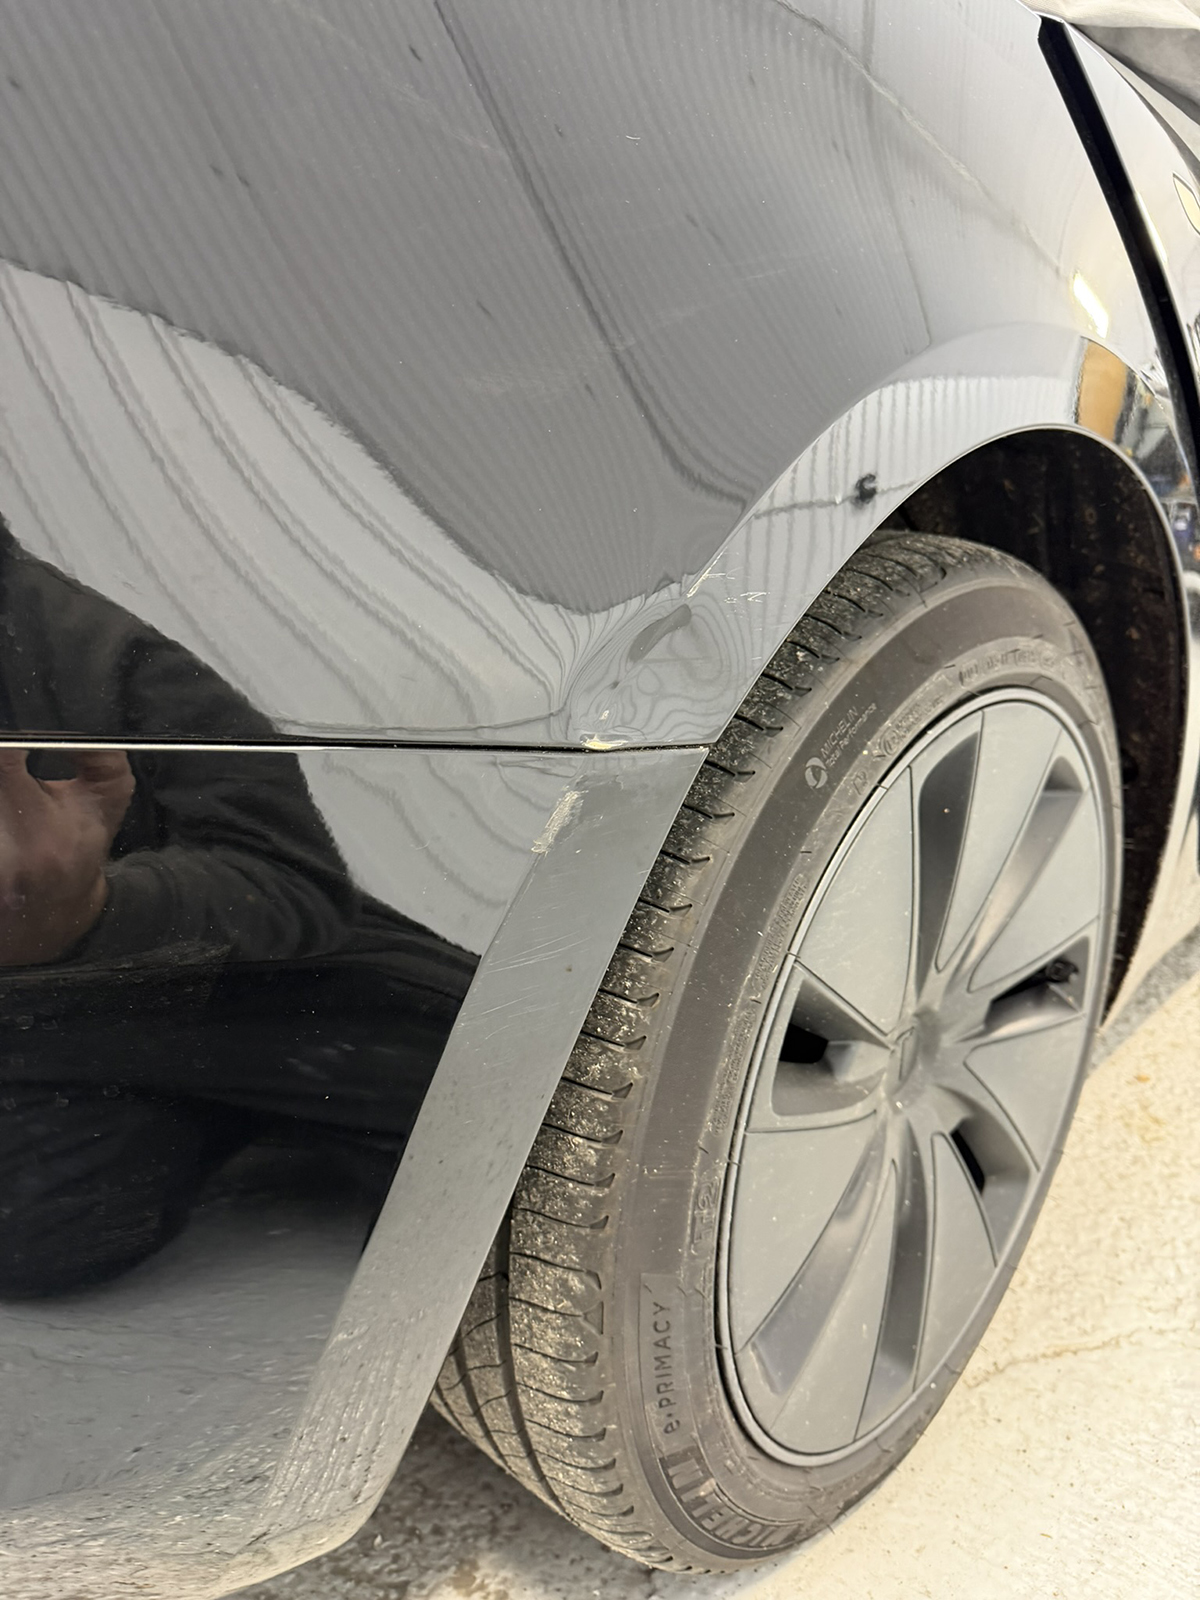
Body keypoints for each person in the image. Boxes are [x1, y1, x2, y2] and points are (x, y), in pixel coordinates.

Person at [0, 517, 476, 1296]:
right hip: (82, 1036)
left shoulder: (100, 645)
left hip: (249, 976)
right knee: (41, 1225)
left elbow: (293, 881)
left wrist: (90, 915)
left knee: (499, 1091)